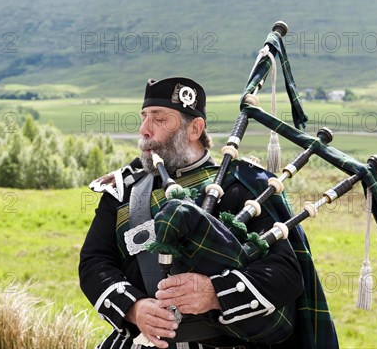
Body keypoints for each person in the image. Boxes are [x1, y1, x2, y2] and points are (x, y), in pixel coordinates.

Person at [79, 77, 338, 349]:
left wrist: (214, 293)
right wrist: (135, 307)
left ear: (195, 128)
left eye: (159, 119)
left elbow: (284, 273)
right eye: (144, 117)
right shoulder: (125, 191)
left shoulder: (243, 186)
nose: (144, 130)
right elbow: (95, 261)